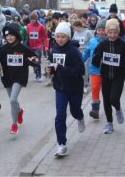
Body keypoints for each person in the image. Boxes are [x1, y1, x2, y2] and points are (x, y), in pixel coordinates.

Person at [45, 22, 85, 157]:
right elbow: (52, 66)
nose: (60, 39)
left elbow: (80, 71)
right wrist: (49, 70)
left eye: (63, 37)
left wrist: (61, 69)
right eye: (58, 37)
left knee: (75, 111)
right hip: (60, 88)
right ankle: (61, 144)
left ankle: (80, 117)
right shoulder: (53, 49)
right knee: (60, 115)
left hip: (75, 88)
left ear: (68, 37)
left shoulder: (74, 51)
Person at [92, 19, 125, 134]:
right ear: (106, 32)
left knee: (114, 99)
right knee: (106, 100)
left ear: (118, 32)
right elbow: (95, 60)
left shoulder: (123, 45)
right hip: (105, 76)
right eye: (110, 32)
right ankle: (109, 123)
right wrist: (96, 58)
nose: (112, 35)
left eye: (115, 32)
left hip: (119, 76)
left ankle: (118, 109)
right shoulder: (102, 45)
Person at [0, 23, 38, 134]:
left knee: (13, 99)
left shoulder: (23, 48)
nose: (9, 37)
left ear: (17, 35)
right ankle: (20, 111)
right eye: (7, 36)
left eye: (12, 35)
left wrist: (33, 59)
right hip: (7, 77)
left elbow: (34, 57)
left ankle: (14, 125)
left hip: (20, 76)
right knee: (13, 102)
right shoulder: (2, 48)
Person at [82, 19, 107, 119]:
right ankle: (95, 109)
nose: (101, 32)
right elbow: (87, 52)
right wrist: (79, 61)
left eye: (103, 30)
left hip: (106, 70)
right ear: (96, 30)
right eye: (99, 30)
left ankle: (108, 107)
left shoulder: (109, 41)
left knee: (106, 91)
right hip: (94, 70)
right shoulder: (92, 41)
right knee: (95, 89)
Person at [72, 20, 93, 93]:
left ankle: (85, 85)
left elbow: (92, 41)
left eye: (74, 28)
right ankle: (78, 84)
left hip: (86, 53)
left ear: (78, 26)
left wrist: (90, 51)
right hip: (78, 53)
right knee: (77, 69)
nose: (74, 29)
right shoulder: (75, 33)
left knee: (85, 69)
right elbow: (73, 42)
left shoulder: (87, 32)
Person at [26, 12, 48, 82]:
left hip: (38, 46)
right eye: (31, 19)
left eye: (34, 19)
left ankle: (39, 75)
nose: (32, 21)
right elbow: (26, 37)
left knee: (37, 60)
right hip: (31, 47)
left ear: (36, 19)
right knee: (32, 61)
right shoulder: (28, 26)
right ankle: (36, 74)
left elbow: (45, 37)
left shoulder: (41, 26)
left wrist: (46, 46)